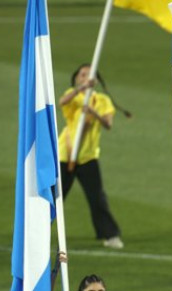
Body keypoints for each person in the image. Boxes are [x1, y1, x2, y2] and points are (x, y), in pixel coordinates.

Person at [58, 64, 126, 249]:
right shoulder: (74, 95)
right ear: (77, 78)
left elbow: (108, 124)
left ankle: (110, 235)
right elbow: (62, 101)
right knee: (55, 197)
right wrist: (81, 89)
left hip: (88, 156)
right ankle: (36, 231)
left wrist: (93, 112)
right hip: (65, 154)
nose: (86, 77)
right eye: (82, 74)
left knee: (97, 198)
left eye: (89, 74)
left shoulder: (103, 100)